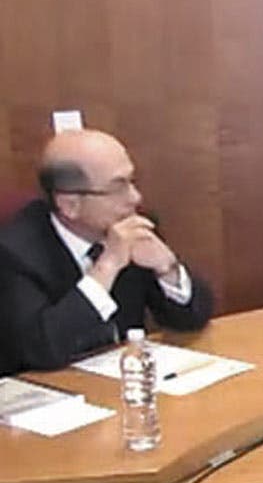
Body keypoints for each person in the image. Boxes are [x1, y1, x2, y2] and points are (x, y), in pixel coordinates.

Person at [0, 129, 214, 376]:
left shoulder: (133, 224)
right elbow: (41, 351)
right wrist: (107, 267)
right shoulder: (13, 252)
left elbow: (191, 319)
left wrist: (168, 270)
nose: (135, 197)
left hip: (125, 383)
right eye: (118, 187)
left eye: (132, 181)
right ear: (70, 205)